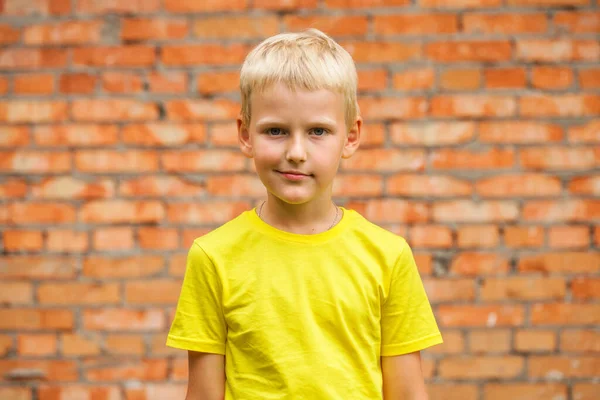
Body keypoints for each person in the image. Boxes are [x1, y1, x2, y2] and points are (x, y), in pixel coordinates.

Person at [166, 28, 443, 400]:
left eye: (317, 131)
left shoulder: (388, 256)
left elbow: (408, 393)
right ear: (245, 134)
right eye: (276, 130)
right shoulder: (213, 257)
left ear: (351, 137)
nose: (296, 151)